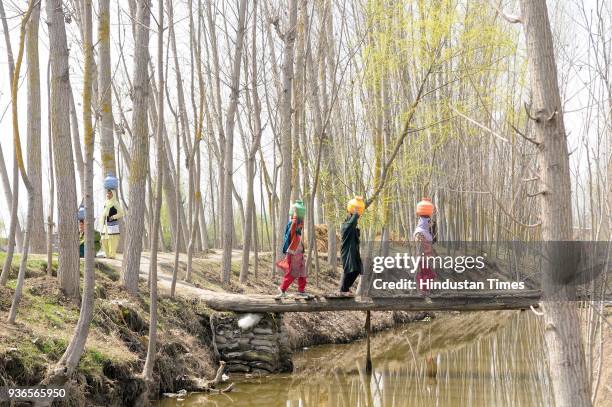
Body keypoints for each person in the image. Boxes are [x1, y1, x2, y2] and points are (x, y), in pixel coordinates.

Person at [276, 208, 308, 298]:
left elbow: (300, 224)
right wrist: (296, 215)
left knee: (303, 272)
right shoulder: (292, 225)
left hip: (300, 253)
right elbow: (294, 224)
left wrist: (300, 217)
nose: (301, 225)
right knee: (293, 273)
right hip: (293, 253)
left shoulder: (298, 231)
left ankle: (301, 290)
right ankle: (282, 289)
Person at [338, 199, 364, 296]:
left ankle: (346, 288)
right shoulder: (346, 226)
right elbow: (352, 222)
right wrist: (356, 213)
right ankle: (343, 289)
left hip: (353, 251)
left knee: (357, 269)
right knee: (348, 269)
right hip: (347, 251)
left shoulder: (352, 227)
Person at [414, 197, 437, 298]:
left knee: (427, 273)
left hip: (423, 256)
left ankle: (425, 291)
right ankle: (424, 292)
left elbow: (433, 240)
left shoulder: (421, 227)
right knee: (426, 273)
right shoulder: (423, 230)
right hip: (423, 256)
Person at [100, 189, 124, 259]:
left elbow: (121, 213)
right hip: (105, 224)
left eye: (110, 194)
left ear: (113, 195)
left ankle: (112, 255)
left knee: (112, 240)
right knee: (104, 240)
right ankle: (107, 255)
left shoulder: (115, 203)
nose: (108, 195)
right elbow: (103, 214)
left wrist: (113, 217)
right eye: (108, 193)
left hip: (112, 224)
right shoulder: (106, 203)